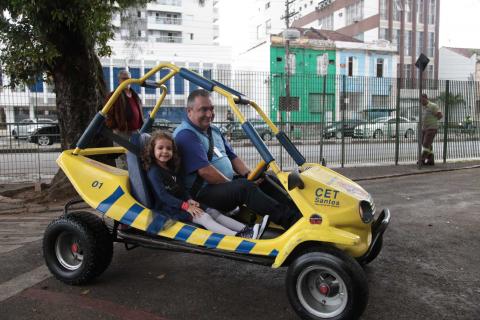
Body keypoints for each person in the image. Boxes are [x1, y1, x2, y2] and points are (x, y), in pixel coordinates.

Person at [173, 89, 300, 230]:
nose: (209, 114)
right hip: (201, 195)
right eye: (203, 110)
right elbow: (205, 172)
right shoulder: (185, 135)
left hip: (221, 186)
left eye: (211, 109)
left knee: (265, 179)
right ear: (189, 111)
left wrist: (249, 175)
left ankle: (301, 212)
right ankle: (293, 221)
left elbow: (232, 157)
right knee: (244, 188)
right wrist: (234, 184)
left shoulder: (213, 130)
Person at [143, 131, 269, 239]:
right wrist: (186, 206)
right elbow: (163, 196)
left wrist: (189, 199)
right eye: (160, 148)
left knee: (213, 212)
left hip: (181, 204)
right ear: (152, 150)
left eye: (168, 148)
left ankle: (247, 230)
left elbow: (180, 189)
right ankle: (237, 237)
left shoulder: (170, 169)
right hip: (168, 209)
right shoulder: (154, 172)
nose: (165, 151)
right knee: (204, 217)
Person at [105, 69, 144, 168]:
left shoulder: (135, 95)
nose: (127, 81)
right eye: (124, 79)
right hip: (121, 132)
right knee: (122, 157)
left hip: (135, 131)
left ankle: (135, 178)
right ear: (119, 80)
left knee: (136, 157)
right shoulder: (114, 95)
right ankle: (123, 178)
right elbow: (108, 113)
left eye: (129, 79)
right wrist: (116, 127)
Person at [420, 94, 442, 166]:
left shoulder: (433, 106)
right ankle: (431, 160)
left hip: (432, 128)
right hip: (424, 128)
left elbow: (440, 115)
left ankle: (422, 160)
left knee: (426, 143)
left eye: (423, 100)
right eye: (420, 100)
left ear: (426, 98)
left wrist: (434, 121)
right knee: (424, 143)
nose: (421, 102)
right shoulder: (423, 107)